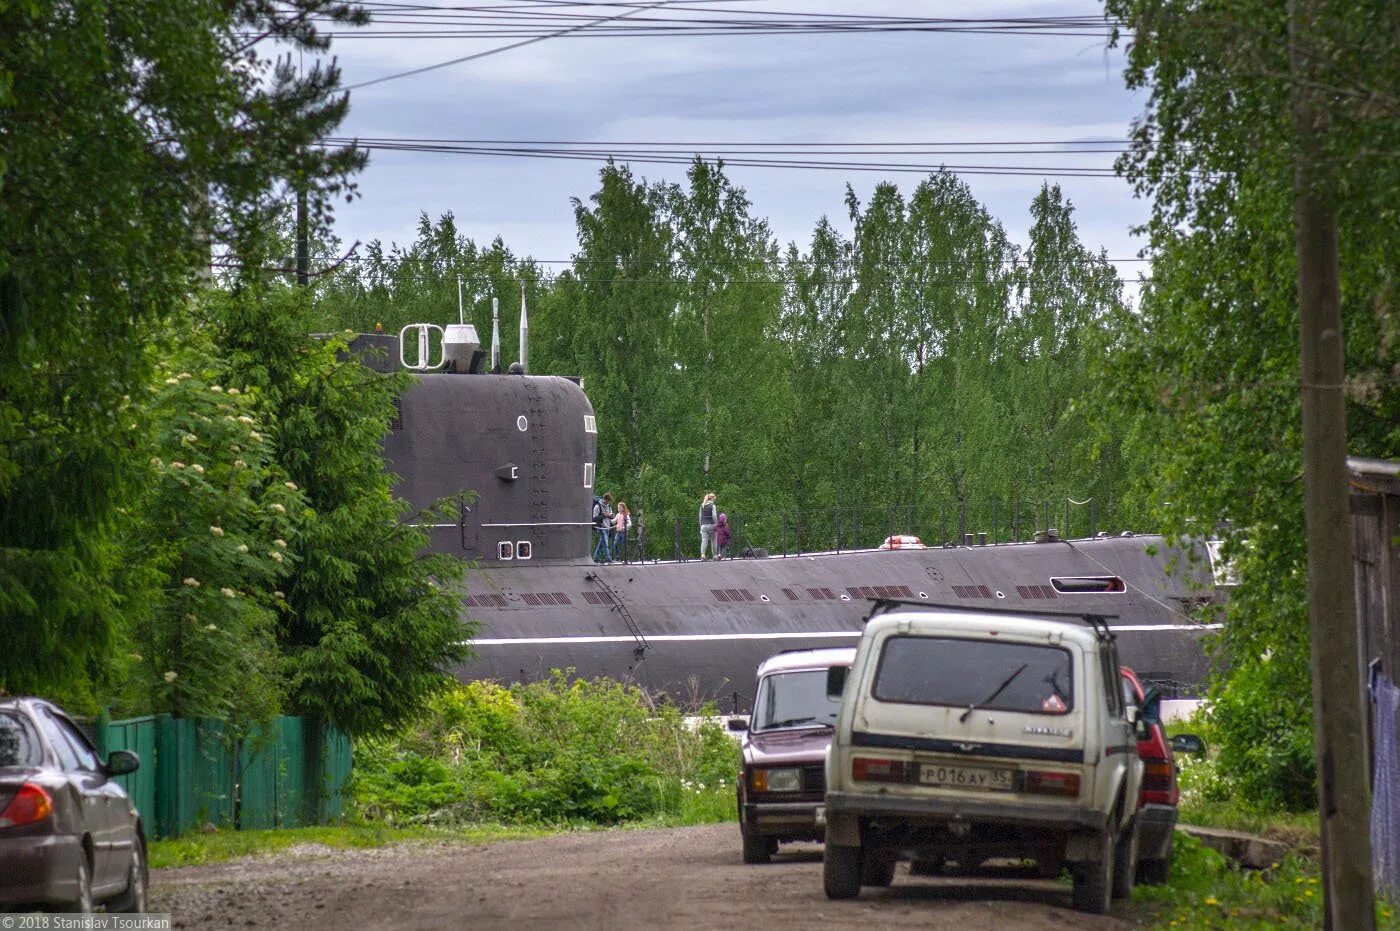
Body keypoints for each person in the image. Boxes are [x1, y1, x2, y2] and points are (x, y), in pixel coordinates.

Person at [592, 492, 614, 562]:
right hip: (601, 527)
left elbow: (610, 516)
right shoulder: (597, 506)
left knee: (601, 544)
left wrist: (611, 516)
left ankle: (595, 557)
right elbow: (594, 518)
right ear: (605, 499)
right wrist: (604, 515)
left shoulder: (609, 506)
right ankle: (608, 558)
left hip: (607, 527)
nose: (608, 502)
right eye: (608, 501)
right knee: (605, 543)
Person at [698, 492, 718, 560]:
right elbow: (714, 516)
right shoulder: (713, 506)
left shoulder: (702, 505)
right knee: (714, 541)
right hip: (712, 525)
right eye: (714, 499)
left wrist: (701, 526)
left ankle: (703, 555)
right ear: (712, 498)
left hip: (703, 525)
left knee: (704, 541)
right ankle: (715, 556)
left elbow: (700, 516)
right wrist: (716, 524)